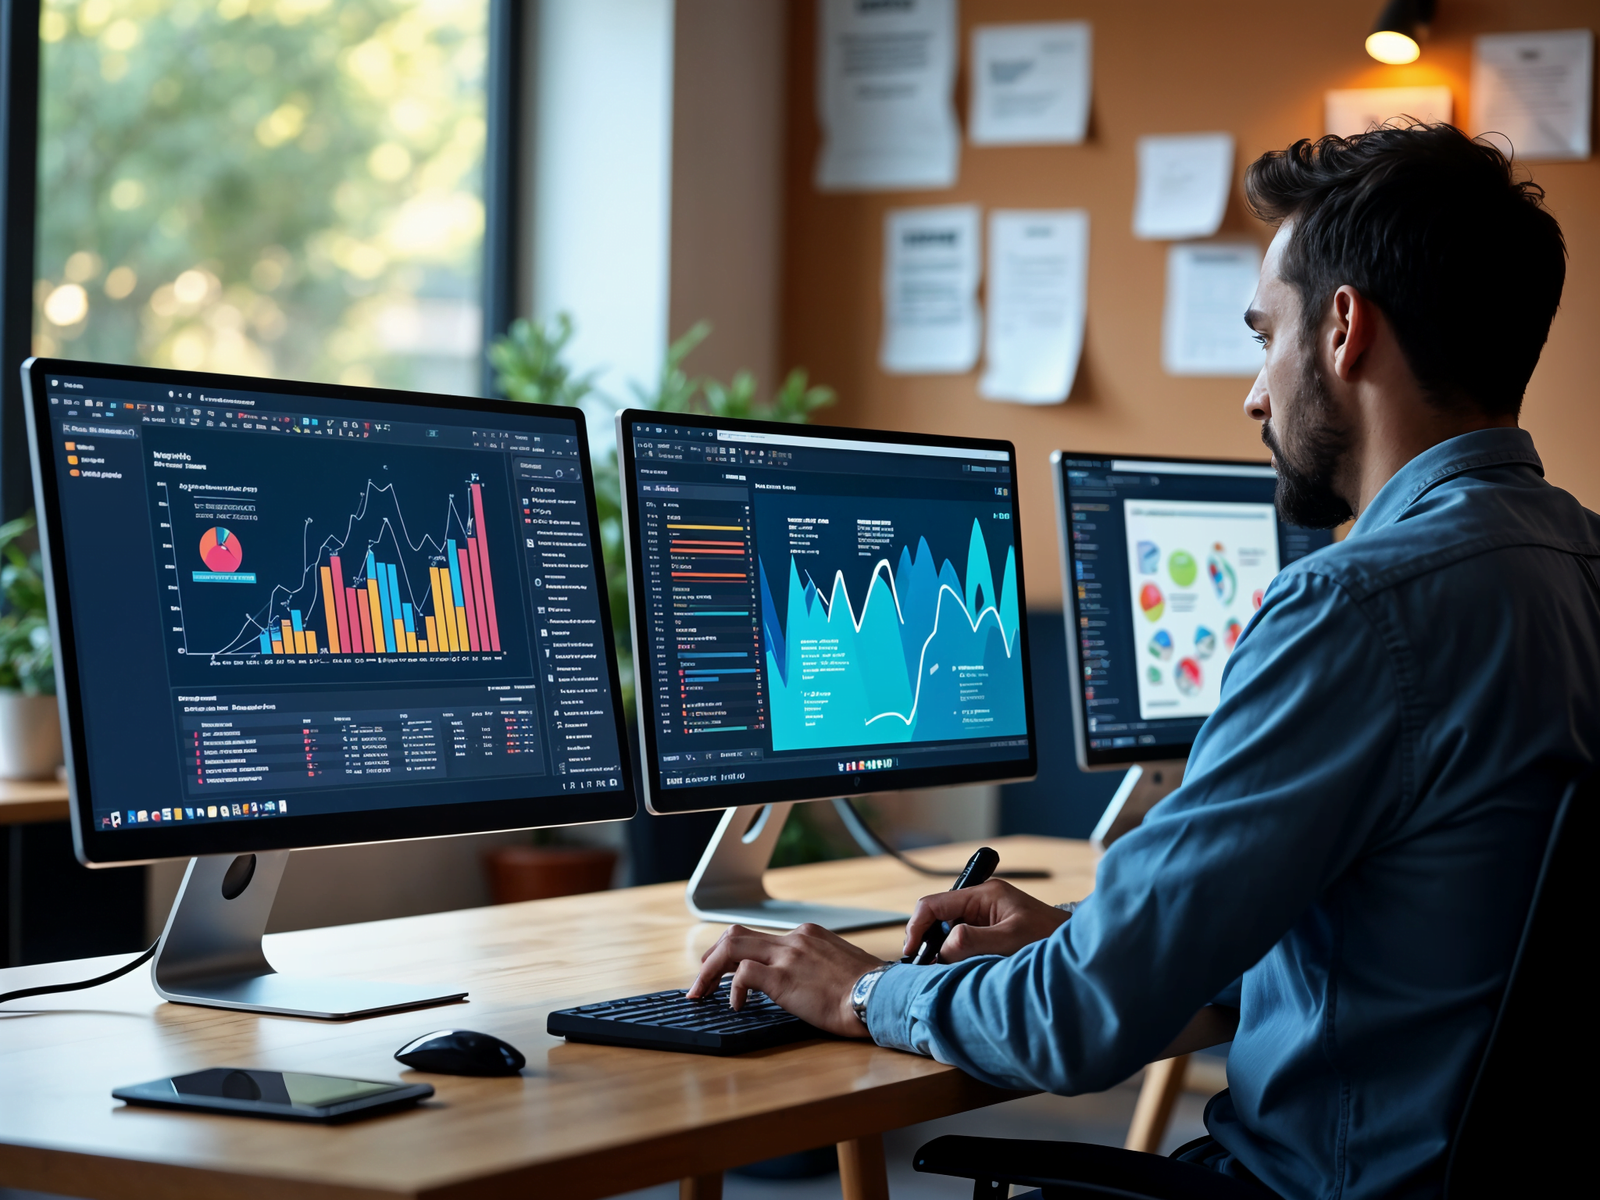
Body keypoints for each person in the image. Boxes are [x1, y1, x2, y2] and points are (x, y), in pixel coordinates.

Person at [688, 123, 1600, 1200]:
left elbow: (1077, 1029)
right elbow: (1437, 928)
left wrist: (865, 993)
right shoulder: (1576, 566)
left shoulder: (1354, 608)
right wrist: (1096, 937)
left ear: (1344, 328)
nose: (1255, 394)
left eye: (1265, 336)